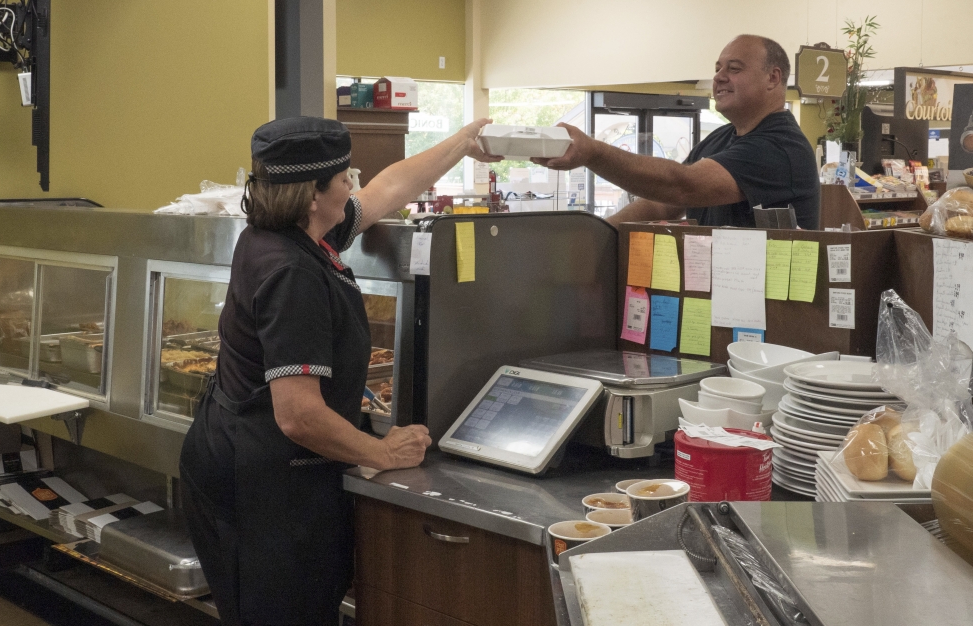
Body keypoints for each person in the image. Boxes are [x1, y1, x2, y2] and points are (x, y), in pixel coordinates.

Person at [178, 116, 502, 626]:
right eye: (345, 177)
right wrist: (382, 451)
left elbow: (385, 191)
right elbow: (298, 415)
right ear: (313, 194)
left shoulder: (290, 231)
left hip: (249, 461)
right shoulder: (293, 273)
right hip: (263, 484)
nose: (353, 185)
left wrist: (462, 142)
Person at [535, 35, 820, 230]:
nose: (719, 77)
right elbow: (662, 204)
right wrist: (600, 234)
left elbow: (682, 186)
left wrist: (592, 152)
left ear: (773, 78)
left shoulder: (781, 147)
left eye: (734, 69)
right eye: (718, 68)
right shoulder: (720, 139)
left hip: (768, 301)